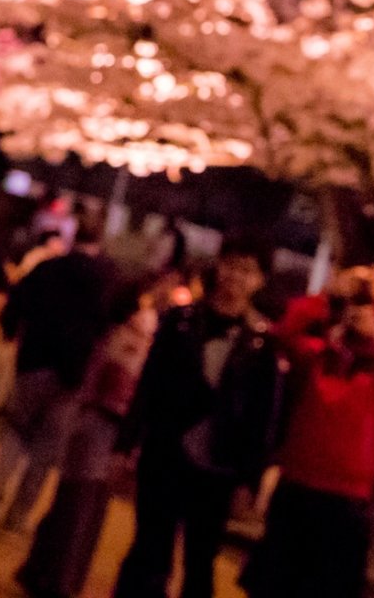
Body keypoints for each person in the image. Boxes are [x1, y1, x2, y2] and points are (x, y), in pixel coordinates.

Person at [107, 246, 282, 598]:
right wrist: (127, 441)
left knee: (200, 560)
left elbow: (264, 415)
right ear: (218, 267)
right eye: (231, 266)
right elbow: (150, 383)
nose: (235, 277)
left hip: (217, 465)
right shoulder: (181, 321)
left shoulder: (262, 342)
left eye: (247, 270)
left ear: (259, 280)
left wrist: (250, 477)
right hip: (166, 451)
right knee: (150, 549)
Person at [242, 264, 374, 598]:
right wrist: (329, 294)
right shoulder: (318, 357)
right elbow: (285, 333)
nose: (359, 317)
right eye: (355, 311)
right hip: (296, 487)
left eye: (368, 314)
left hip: (345, 502)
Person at [0, 211, 114, 536]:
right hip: (70, 376)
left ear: (74, 237)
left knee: (15, 428)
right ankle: (17, 516)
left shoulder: (48, 268)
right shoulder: (104, 281)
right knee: (45, 448)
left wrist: (11, 332)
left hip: (33, 362)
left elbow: (16, 302)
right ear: (99, 241)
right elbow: (106, 328)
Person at [16, 284, 158, 598]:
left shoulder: (116, 335)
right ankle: (58, 580)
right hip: (102, 423)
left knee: (79, 500)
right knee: (80, 503)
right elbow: (119, 387)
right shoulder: (126, 338)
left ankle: (44, 570)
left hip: (99, 422)